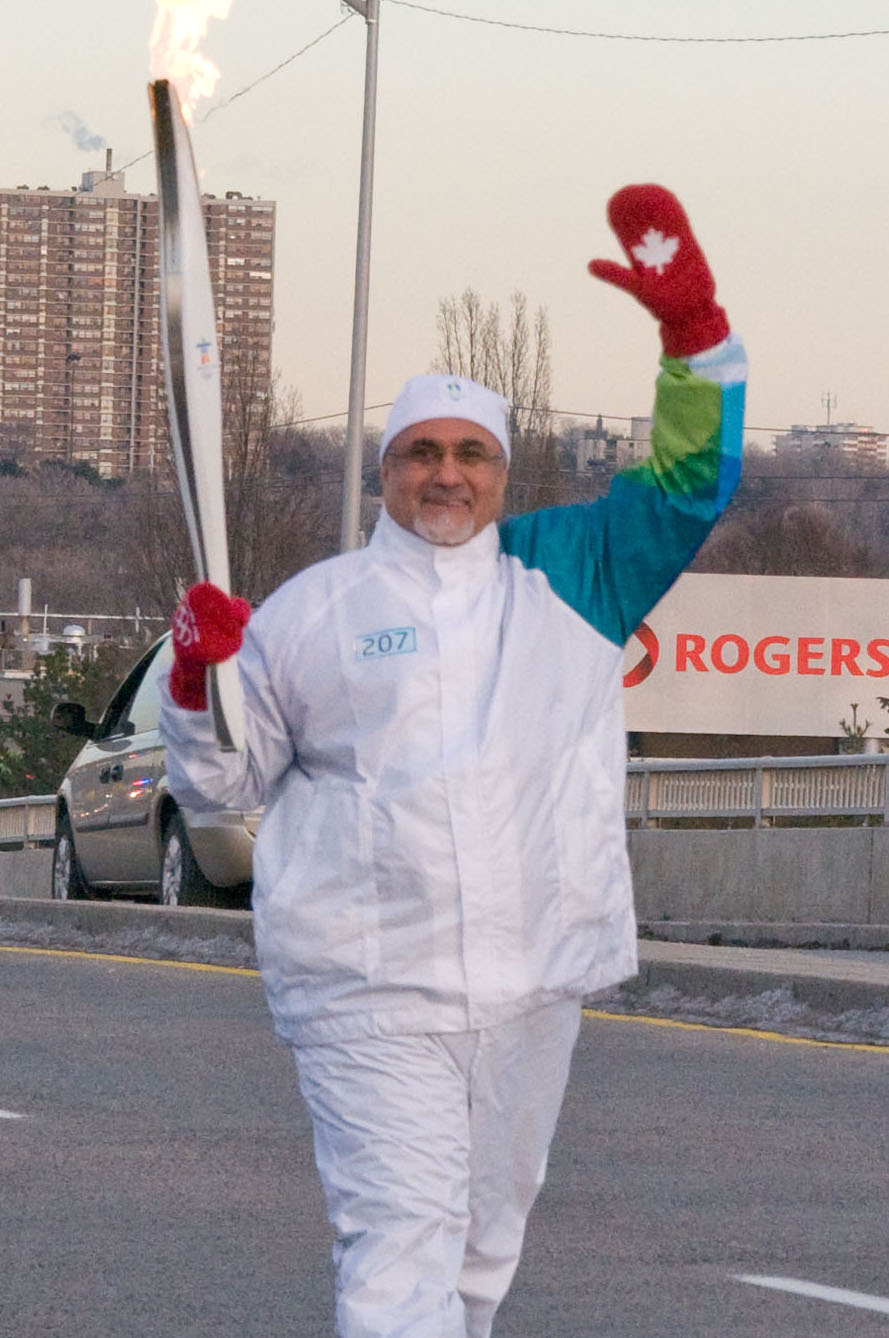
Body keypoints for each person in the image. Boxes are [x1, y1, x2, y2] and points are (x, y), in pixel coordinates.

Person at [159, 184, 747, 1338]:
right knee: (400, 1242)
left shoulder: (572, 573)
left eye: (471, 454)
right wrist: (194, 687)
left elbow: (690, 485)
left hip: (531, 983)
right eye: (421, 452)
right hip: (371, 986)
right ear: (385, 468)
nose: (446, 474)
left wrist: (692, 339)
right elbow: (219, 786)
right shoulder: (310, 611)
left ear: (502, 471)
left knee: (480, 1257)